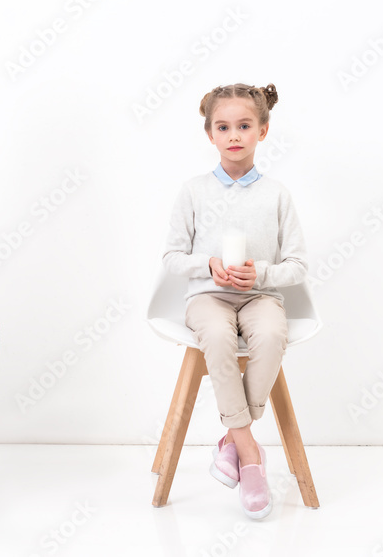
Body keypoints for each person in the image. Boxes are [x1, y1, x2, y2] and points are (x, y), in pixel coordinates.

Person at [162, 83, 308, 520]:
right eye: (224, 127)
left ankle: (231, 438)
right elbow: (170, 258)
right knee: (220, 341)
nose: (234, 135)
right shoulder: (193, 192)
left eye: (245, 125)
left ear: (263, 130)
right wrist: (208, 265)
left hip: (260, 295)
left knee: (270, 335)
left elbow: (297, 265)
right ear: (210, 135)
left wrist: (260, 272)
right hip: (208, 296)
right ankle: (249, 453)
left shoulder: (277, 195)